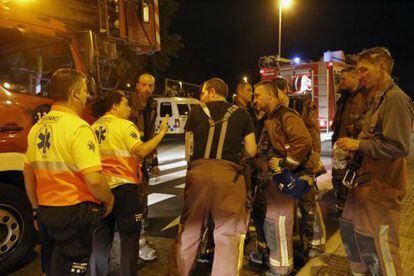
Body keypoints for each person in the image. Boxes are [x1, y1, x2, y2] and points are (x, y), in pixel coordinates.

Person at [23, 68, 114, 275]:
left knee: (52, 267)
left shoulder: (36, 128)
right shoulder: (79, 128)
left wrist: (36, 209)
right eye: (84, 92)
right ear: (74, 94)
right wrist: (109, 200)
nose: (86, 97)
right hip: (73, 214)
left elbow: (28, 174)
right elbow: (94, 180)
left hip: (46, 213)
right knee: (75, 267)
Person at [337, 47, 413, 275]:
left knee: (383, 246)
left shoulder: (396, 99)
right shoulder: (375, 99)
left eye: (363, 70)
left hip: (381, 188)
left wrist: (357, 145)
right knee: (353, 233)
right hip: (364, 185)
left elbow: (399, 146)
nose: (359, 75)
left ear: (381, 67)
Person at [169, 77, 257, 276]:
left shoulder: (196, 112)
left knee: (190, 229)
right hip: (228, 178)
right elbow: (252, 150)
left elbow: (188, 151)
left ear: (210, 91)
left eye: (202, 93)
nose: (201, 97)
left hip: (198, 175)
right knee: (227, 234)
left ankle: (180, 272)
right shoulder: (242, 114)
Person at [89, 91, 169, 275]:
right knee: (129, 238)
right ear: (115, 106)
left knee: (101, 238)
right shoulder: (125, 125)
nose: (129, 108)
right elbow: (141, 151)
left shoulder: (92, 127)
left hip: (99, 189)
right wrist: (161, 133)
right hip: (124, 189)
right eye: (125, 104)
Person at [252, 81, 321, 275]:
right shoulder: (270, 117)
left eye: (257, 95)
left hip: (293, 176)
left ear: (270, 96)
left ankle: (284, 265)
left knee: (283, 218)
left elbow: (304, 141)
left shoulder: (285, 115)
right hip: (282, 177)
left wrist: (284, 164)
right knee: (278, 217)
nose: (254, 99)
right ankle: (288, 257)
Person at [129, 73, 159, 261]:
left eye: (150, 85)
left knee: (142, 205)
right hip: (126, 162)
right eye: (144, 85)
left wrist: (153, 160)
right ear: (137, 86)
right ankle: (134, 244)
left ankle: (140, 242)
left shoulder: (151, 106)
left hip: (142, 162)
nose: (147, 89)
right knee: (132, 205)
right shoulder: (127, 106)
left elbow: (150, 134)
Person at [331, 66, 367, 213]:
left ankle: (348, 212)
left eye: (344, 78)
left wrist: (356, 126)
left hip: (354, 147)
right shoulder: (345, 96)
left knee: (349, 178)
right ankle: (341, 207)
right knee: (338, 176)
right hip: (340, 144)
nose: (341, 81)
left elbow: (371, 119)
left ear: (355, 78)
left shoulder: (365, 96)